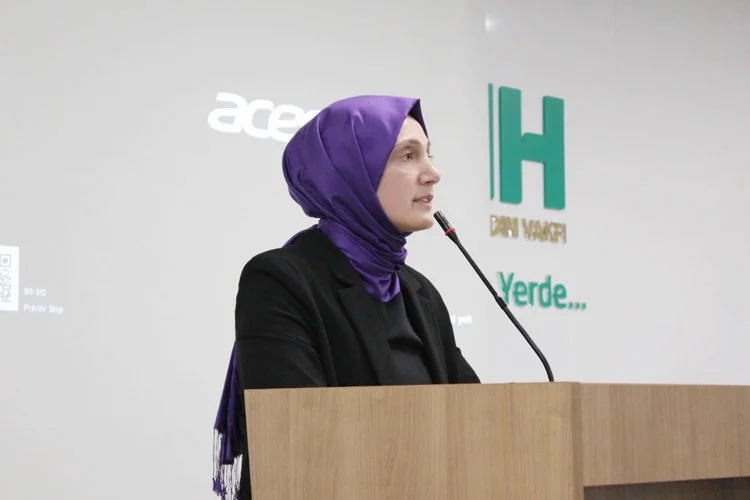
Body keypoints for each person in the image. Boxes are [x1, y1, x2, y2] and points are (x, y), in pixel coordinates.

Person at [212, 95, 480, 499]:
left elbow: (475, 418)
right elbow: (300, 436)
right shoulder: (280, 280)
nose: (432, 173)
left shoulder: (420, 292)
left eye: (429, 154)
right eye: (408, 156)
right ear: (351, 171)